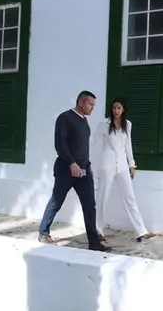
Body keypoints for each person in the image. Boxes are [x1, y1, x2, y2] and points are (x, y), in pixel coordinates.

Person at [38, 91, 112, 252]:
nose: (93, 108)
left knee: (89, 204)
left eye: (93, 105)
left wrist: (87, 165)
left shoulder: (84, 122)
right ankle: (43, 233)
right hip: (66, 169)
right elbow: (60, 145)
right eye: (90, 104)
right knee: (57, 201)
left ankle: (93, 242)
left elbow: (82, 148)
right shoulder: (64, 118)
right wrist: (72, 163)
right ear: (81, 103)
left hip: (84, 171)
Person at [93, 97, 157, 243]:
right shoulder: (103, 125)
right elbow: (95, 145)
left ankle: (141, 231)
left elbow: (128, 145)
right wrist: (93, 165)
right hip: (107, 164)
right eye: (114, 107)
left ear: (123, 110)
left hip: (122, 164)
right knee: (102, 197)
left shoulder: (127, 125)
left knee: (130, 197)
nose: (116, 110)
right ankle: (97, 230)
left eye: (119, 108)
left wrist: (131, 165)